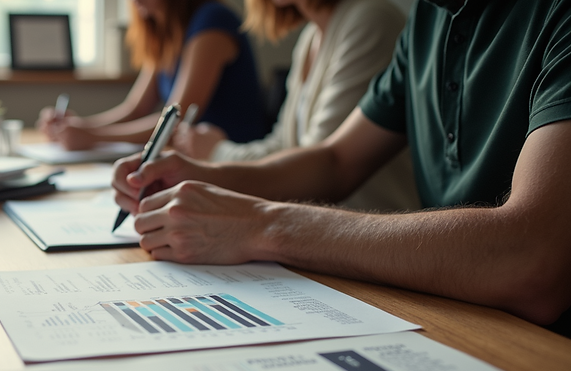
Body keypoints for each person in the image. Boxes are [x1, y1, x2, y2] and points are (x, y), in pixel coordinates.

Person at [112, 0, 571, 327]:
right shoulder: (427, 19)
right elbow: (335, 159)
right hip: (451, 313)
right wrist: (202, 176)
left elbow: (532, 261)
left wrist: (262, 225)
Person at [174, 0, 420, 212]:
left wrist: (218, 152)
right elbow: (283, 145)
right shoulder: (310, 38)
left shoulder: (371, 20)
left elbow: (317, 168)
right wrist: (214, 151)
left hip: (368, 236)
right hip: (319, 230)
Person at [37, 0, 267, 151]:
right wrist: (77, 125)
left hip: (227, 159)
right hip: (192, 159)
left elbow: (173, 121)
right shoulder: (164, 32)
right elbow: (135, 109)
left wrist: (93, 136)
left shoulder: (213, 21)